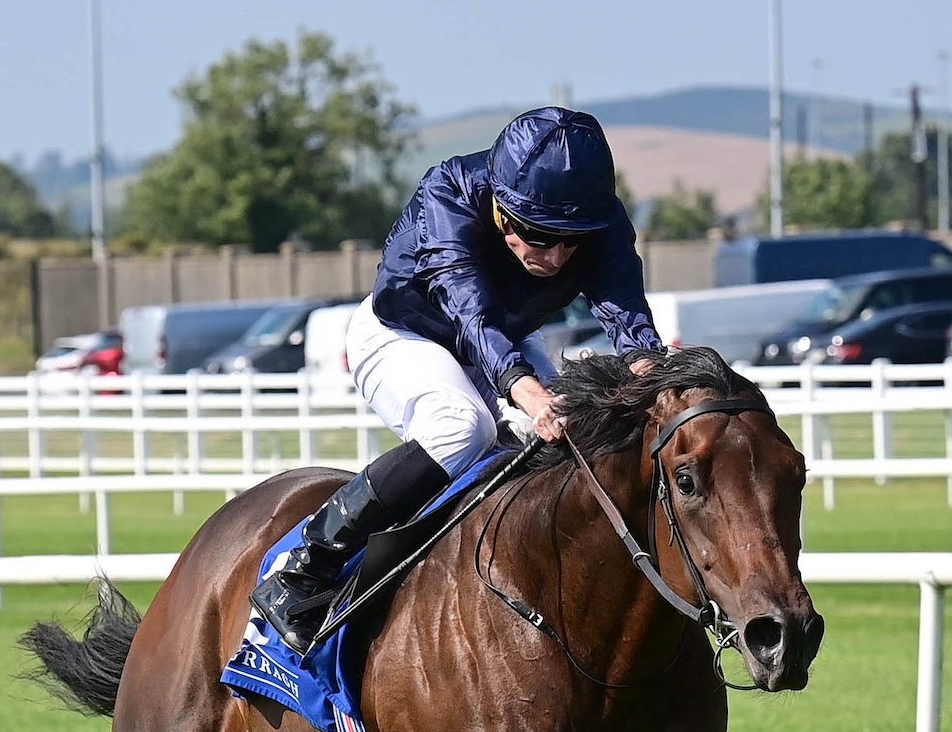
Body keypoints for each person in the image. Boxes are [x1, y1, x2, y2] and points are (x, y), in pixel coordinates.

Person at [251, 107, 665, 655]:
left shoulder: (598, 219)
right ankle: (308, 565)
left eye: (574, 241)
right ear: (500, 206)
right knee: (462, 425)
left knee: (579, 443)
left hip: (507, 341)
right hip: (403, 334)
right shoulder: (447, 194)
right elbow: (471, 315)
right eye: (540, 236)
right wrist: (528, 391)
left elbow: (628, 316)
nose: (557, 257)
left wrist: (658, 381)